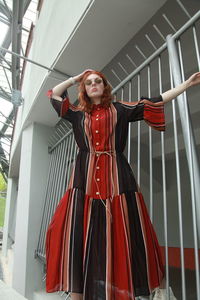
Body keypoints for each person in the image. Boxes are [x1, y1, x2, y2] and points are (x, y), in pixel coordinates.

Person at [45, 69, 200, 300]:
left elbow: (155, 101)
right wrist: (75, 79)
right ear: (85, 89)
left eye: (98, 81)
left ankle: (143, 288)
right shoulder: (77, 114)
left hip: (118, 177)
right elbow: (54, 96)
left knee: (129, 230)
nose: (94, 84)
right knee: (78, 233)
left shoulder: (119, 109)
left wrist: (186, 85)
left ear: (105, 86)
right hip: (83, 181)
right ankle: (78, 293)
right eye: (89, 83)